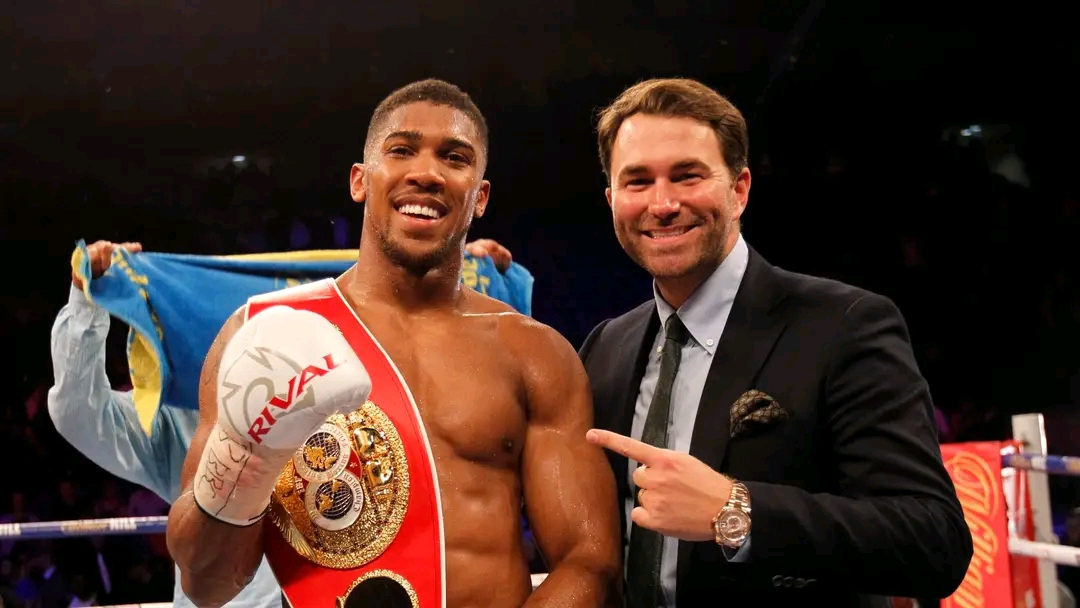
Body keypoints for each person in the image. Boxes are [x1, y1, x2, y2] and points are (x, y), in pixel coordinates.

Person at [165, 79, 621, 608]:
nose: (426, 173)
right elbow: (207, 584)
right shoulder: (263, 338)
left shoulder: (535, 354)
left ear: (480, 197)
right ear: (360, 181)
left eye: (454, 157)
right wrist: (246, 458)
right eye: (401, 150)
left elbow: (588, 562)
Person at [578, 77, 974, 607]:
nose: (663, 203)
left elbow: (934, 542)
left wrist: (735, 511)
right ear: (612, 200)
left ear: (739, 189)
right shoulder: (606, 347)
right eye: (638, 181)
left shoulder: (844, 325)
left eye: (687, 176)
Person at [48, 234, 514, 608]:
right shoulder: (183, 421)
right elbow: (79, 414)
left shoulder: (380, 394)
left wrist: (459, 275)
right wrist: (87, 301)